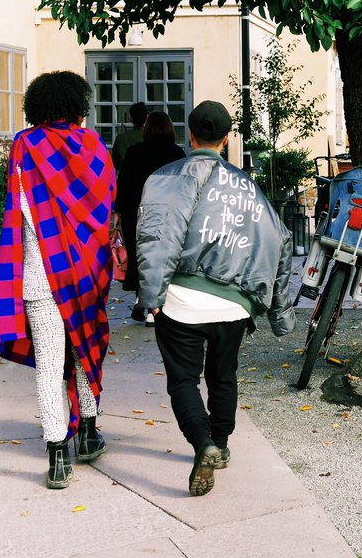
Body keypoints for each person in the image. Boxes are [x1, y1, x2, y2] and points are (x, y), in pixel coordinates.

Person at [137, 100, 295, 497]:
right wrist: (279, 313)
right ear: (227, 140)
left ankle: (202, 442)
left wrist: (151, 295)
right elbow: (282, 241)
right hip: (234, 305)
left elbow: (161, 233)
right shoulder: (250, 188)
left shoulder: (168, 178)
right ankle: (221, 445)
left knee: (183, 381)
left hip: (182, 299)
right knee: (223, 377)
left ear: (190, 135)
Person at [0, 71, 116, 489]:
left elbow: (20, 207)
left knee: (48, 363)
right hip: (84, 272)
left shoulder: (26, 145)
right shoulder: (94, 146)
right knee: (85, 348)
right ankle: (90, 433)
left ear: (36, 106)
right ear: (78, 105)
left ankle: (57, 455)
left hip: (40, 271)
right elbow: (106, 205)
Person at [113, 112, 185, 325]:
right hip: (167, 212)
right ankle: (157, 303)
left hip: (135, 210)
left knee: (138, 255)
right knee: (165, 255)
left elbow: (123, 183)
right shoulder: (176, 152)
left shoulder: (135, 152)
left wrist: (118, 211)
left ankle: (140, 297)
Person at [111, 101, 147, 169]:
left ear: (130, 118)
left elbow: (116, 163)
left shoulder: (121, 138)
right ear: (146, 117)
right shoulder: (152, 136)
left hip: (127, 175)